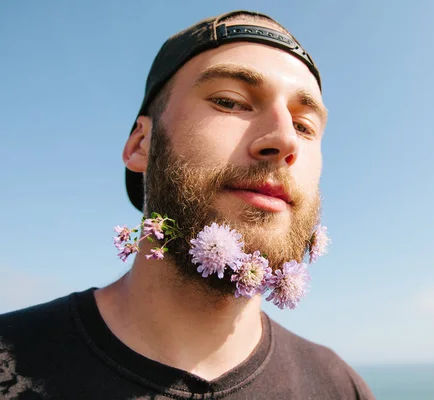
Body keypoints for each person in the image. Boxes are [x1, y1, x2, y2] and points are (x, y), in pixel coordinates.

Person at [0, 9, 375, 400]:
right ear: (142, 144)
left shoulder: (340, 388)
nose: (285, 140)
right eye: (230, 102)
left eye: (304, 126)